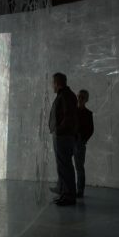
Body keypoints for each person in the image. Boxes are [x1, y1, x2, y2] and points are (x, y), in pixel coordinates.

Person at [49, 73, 78, 206]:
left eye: (53, 83)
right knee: (63, 165)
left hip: (63, 136)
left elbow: (68, 116)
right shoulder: (65, 94)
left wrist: (58, 130)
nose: (52, 86)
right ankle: (64, 193)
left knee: (65, 166)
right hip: (63, 135)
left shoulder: (66, 95)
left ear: (57, 83)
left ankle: (68, 196)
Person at [74, 90, 94, 198]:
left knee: (79, 167)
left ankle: (80, 190)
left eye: (82, 97)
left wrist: (83, 139)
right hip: (70, 141)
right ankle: (67, 188)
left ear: (86, 100)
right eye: (79, 97)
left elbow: (90, 130)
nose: (80, 99)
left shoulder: (88, 114)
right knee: (66, 166)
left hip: (79, 143)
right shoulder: (72, 111)